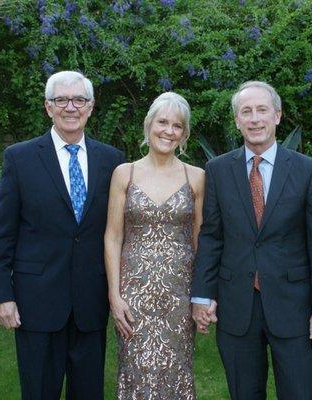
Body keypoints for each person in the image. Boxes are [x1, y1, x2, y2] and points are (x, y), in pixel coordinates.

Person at [191, 81, 312, 400]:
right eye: (246, 112)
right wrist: (202, 295)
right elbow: (212, 237)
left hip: (294, 308)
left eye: (262, 110)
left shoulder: (307, 171)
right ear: (237, 120)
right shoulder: (217, 170)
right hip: (236, 308)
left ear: (277, 116)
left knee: (300, 393)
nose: (255, 119)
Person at [0, 70, 125, 400]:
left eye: (79, 100)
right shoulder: (20, 158)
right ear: (48, 107)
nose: (70, 107)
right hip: (37, 301)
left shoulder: (112, 160)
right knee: (39, 391)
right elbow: (0, 234)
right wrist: (2, 295)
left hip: (90, 302)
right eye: (61, 100)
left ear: (91, 107)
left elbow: (119, 231)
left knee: (89, 392)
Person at [104, 92, 207, 399]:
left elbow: (201, 241)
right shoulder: (125, 173)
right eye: (163, 122)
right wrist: (114, 294)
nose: (168, 131)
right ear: (149, 125)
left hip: (180, 293)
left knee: (177, 369)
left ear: (184, 134)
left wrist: (202, 296)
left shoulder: (197, 177)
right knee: (135, 369)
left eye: (177, 126)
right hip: (133, 294)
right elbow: (112, 235)